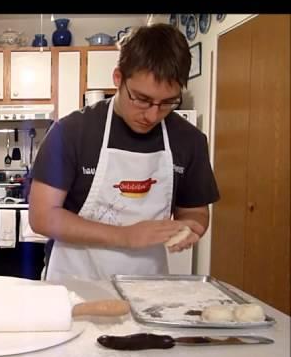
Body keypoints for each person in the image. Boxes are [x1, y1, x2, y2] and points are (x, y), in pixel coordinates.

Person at [29, 23, 220, 282]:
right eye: (141, 98)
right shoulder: (71, 132)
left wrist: (191, 228)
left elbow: (195, 212)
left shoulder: (190, 140)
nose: (153, 115)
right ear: (118, 78)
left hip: (148, 286)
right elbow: (42, 217)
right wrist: (125, 236)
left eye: (167, 102)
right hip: (74, 284)